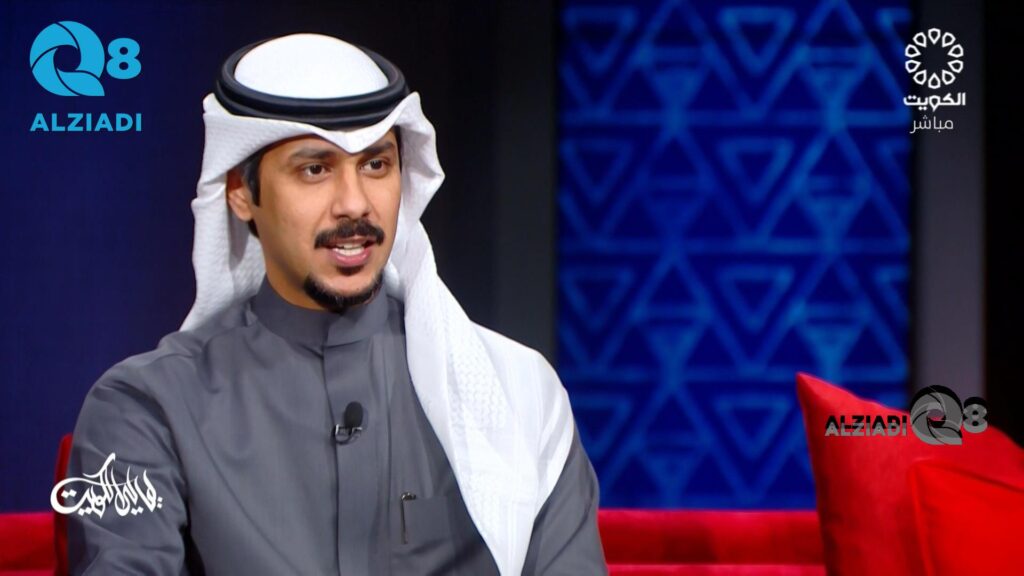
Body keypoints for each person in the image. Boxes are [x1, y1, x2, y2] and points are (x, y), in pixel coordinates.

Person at [63, 33, 608, 575]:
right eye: (315, 169)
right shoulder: (146, 409)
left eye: (375, 165)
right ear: (240, 192)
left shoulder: (518, 393)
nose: (354, 204)